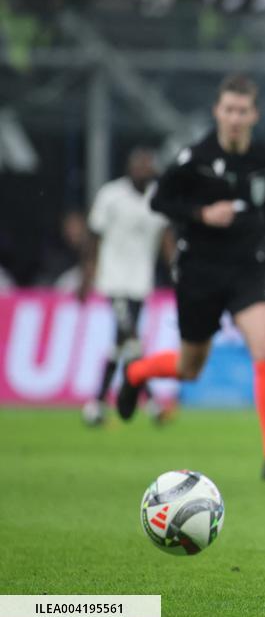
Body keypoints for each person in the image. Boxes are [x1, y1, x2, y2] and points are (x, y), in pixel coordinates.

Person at [118, 74, 265, 482]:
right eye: (229, 110)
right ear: (218, 111)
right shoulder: (194, 158)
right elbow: (159, 200)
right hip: (200, 270)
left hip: (247, 269)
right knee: (189, 367)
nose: (235, 118)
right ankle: (136, 373)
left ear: (254, 114)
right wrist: (201, 214)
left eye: (243, 111)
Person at [81, 147, 171, 427]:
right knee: (130, 338)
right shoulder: (111, 195)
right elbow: (94, 235)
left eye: (148, 165)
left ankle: (96, 404)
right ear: (129, 168)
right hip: (114, 280)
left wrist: (177, 270)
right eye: (139, 165)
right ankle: (153, 403)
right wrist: (88, 274)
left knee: (122, 344)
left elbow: (166, 236)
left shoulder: (158, 198)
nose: (144, 170)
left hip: (140, 282)